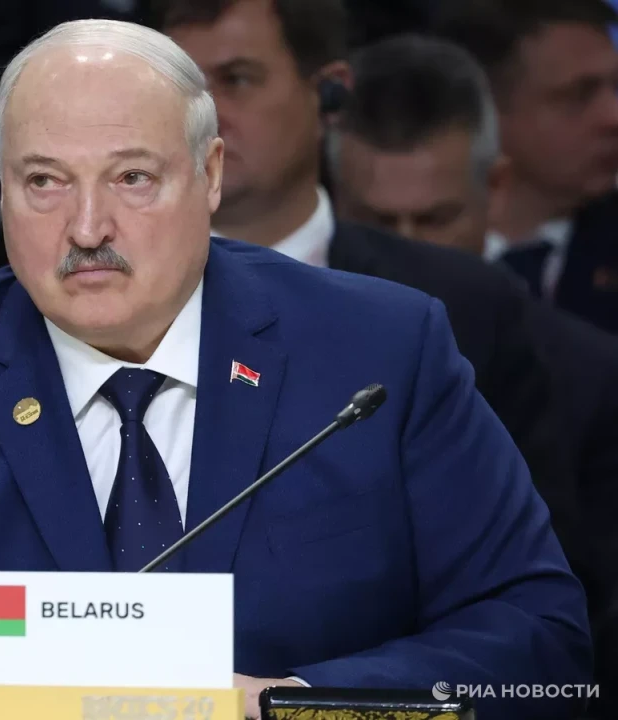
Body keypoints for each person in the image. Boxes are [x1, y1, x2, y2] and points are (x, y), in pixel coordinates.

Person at [0, 18, 590, 720]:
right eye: (44, 182)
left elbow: (539, 642)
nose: (86, 227)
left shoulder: (377, 355)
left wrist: (294, 705)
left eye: (132, 178)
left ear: (208, 175)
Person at [153, 0, 566, 544]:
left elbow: (527, 561)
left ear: (331, 93)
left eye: (237, 80)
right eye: (181, 89)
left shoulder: (466, 305)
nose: (204, 116)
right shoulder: (90, 293)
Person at [327, 32, 618, 717]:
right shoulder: (272, 351)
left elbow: (570, 636)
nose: (404, 250)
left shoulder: (589, 378)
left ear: (496, 190)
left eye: (434, 219)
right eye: (378, 222)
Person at [435, 0, 618, 335]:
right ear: (487, 108)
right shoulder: (405, 240)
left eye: (617, 88)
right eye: (580, 95)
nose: (613, 117)